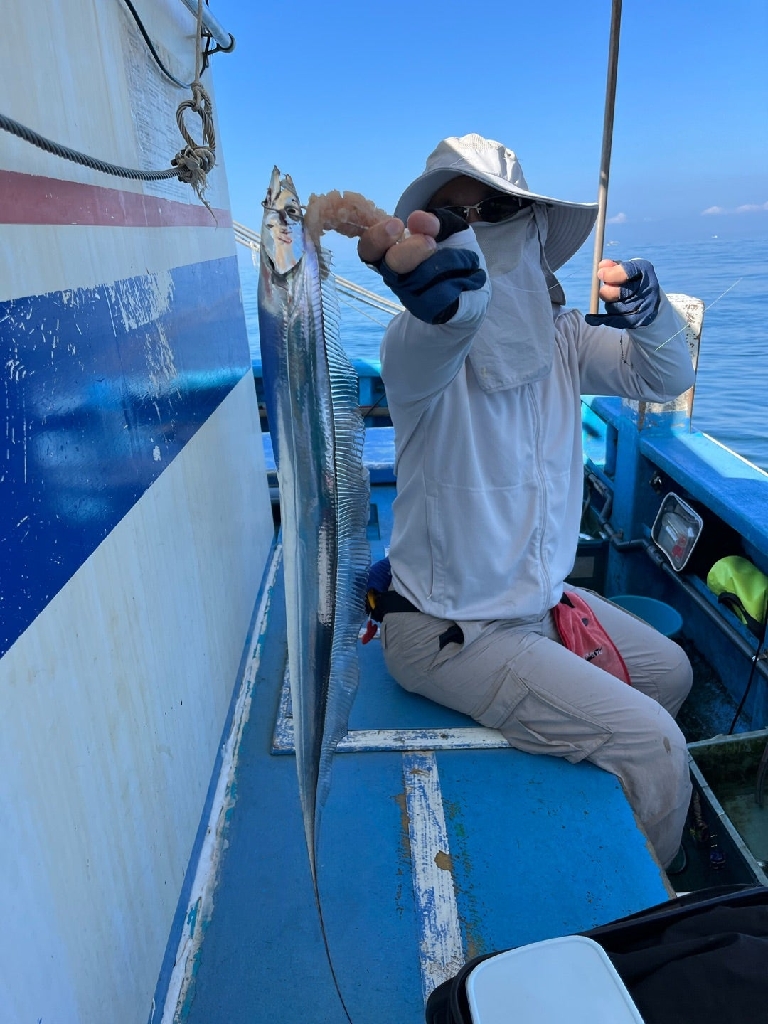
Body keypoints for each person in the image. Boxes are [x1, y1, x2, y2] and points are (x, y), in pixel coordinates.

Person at [358, 133, 694, 872]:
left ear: (534, 225)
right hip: (451, 631)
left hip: (539, 603)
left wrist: (651, 309)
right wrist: (451, 308)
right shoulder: (416, 344)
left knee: (672, 675)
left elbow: (661, 375)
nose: (479, 224)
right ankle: (643, 906)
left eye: (498, 208)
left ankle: (609, 816)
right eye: (458, 213)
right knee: (658, 747)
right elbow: (449, 326)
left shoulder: (563, 339)